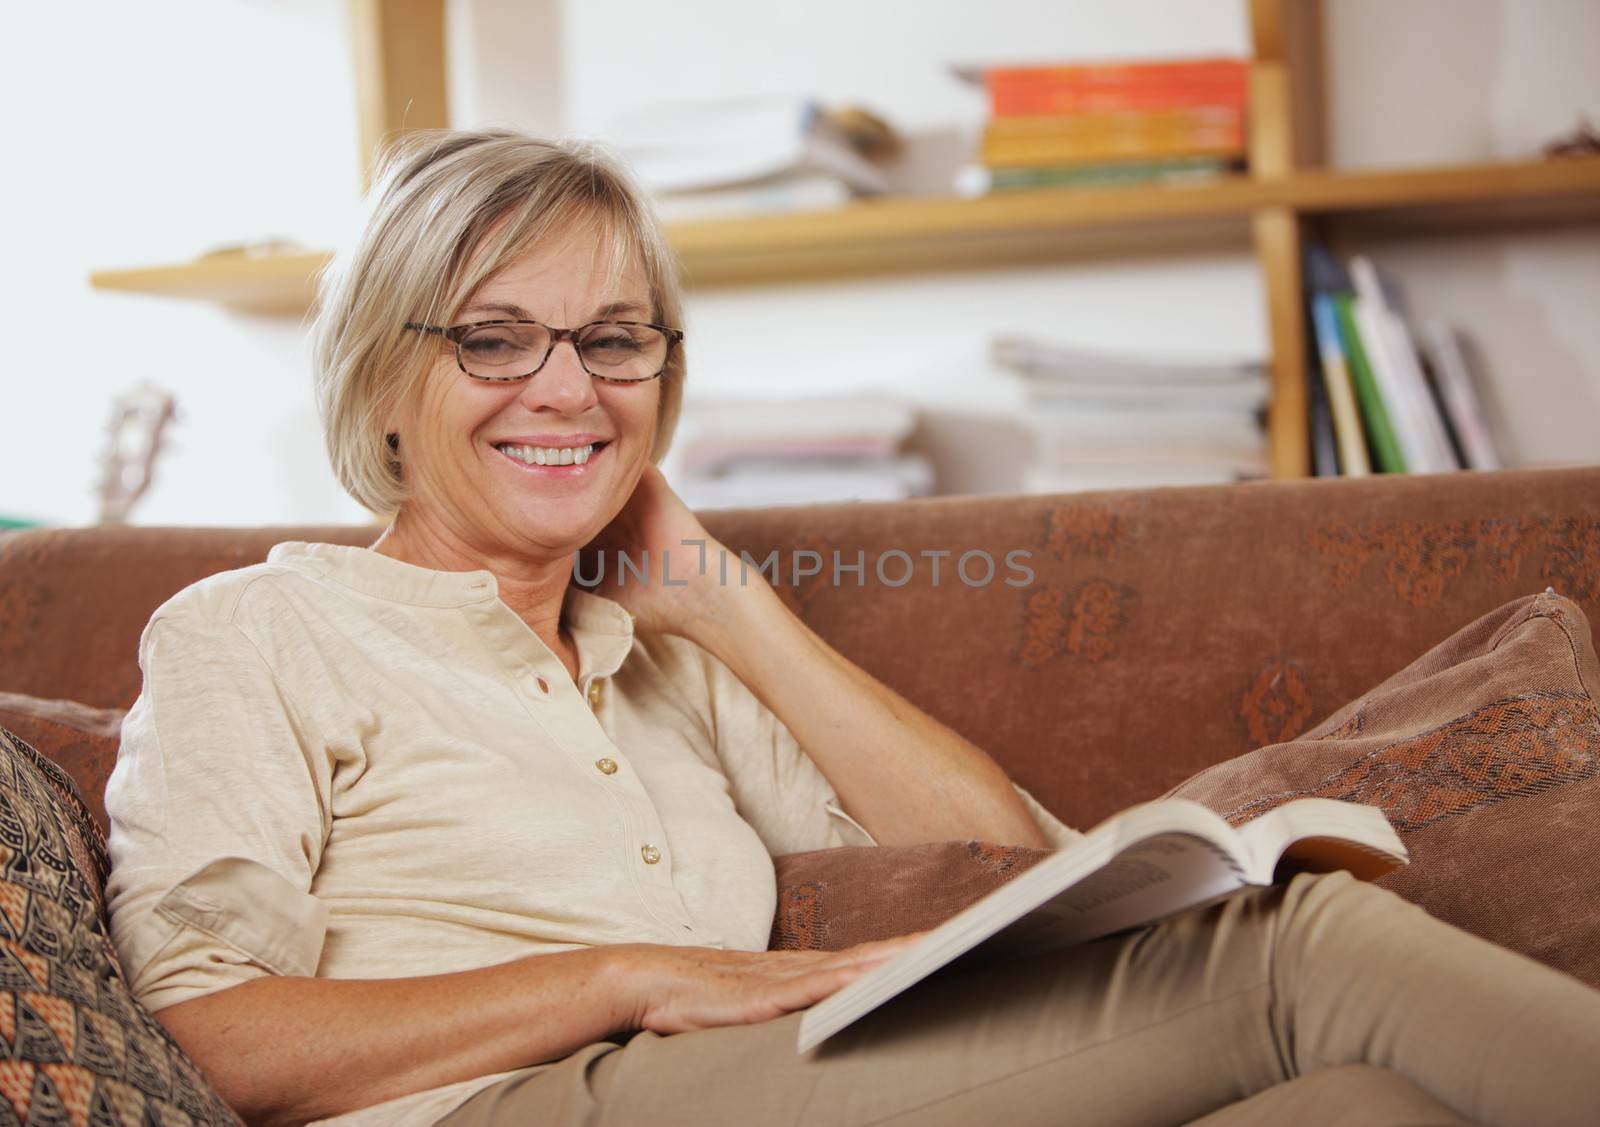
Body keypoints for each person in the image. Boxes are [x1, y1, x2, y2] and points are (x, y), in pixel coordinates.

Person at [103, 128, 1600, 1127]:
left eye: (615, 340)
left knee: (1356, 1108)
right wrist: (625, 976)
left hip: (723, 1093)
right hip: (512, 1111)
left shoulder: (665, 665)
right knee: (1301, 951)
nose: (567, 388)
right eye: (492, 337)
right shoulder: (259, 631)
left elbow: (1017, 869)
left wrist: (731, 609)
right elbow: (212, 1035)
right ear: (379, 380)